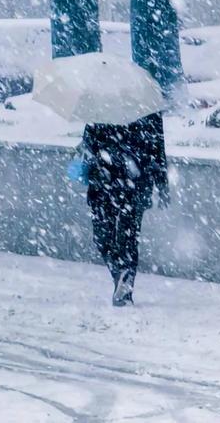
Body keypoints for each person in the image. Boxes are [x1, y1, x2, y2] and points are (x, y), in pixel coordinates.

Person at [82, 111, 169, 306]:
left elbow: (157, 148)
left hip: (124, 182)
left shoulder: (146, 108)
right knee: (110, 237)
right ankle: (122, 277)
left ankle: (123, 282)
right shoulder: (103, 103)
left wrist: (162, 185)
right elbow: (89, 141)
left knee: (122, 237)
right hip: (114, 182)